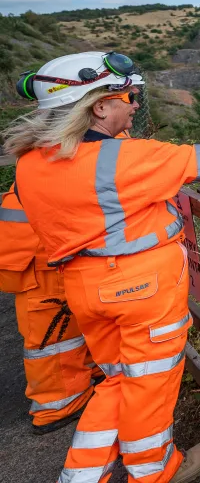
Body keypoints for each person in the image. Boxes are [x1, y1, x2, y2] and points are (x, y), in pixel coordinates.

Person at [4, 51, 200, 483]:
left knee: (118, 381)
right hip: (141, 293)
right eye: (128, 96)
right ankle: (155, 471)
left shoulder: (29, 162)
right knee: (148, 387)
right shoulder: (128, 159)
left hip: (83, 287)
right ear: (99, 106)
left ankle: (80, 476)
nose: (135, 104)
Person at [0, 185, 101, 434]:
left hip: (38, 251)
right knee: (55, 338)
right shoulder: (88, 151)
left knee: (73, 323)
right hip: (41, 257)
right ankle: (58, 404)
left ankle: (87, 372)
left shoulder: (48, 155)